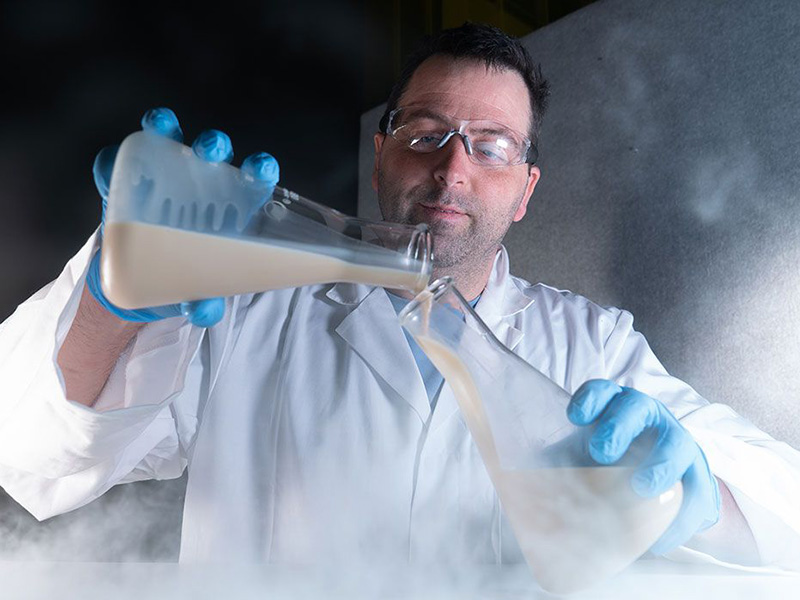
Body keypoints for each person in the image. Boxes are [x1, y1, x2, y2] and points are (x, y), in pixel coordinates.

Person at [0, 23, 798, 572]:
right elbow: (28, 451)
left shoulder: (594, 344)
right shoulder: (244, 310)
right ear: (381, 155)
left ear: (525, 190)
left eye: (491, 147)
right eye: (425, 135)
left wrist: (702, 496)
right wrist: (112, 302)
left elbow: (784, 513)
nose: (453, 170)